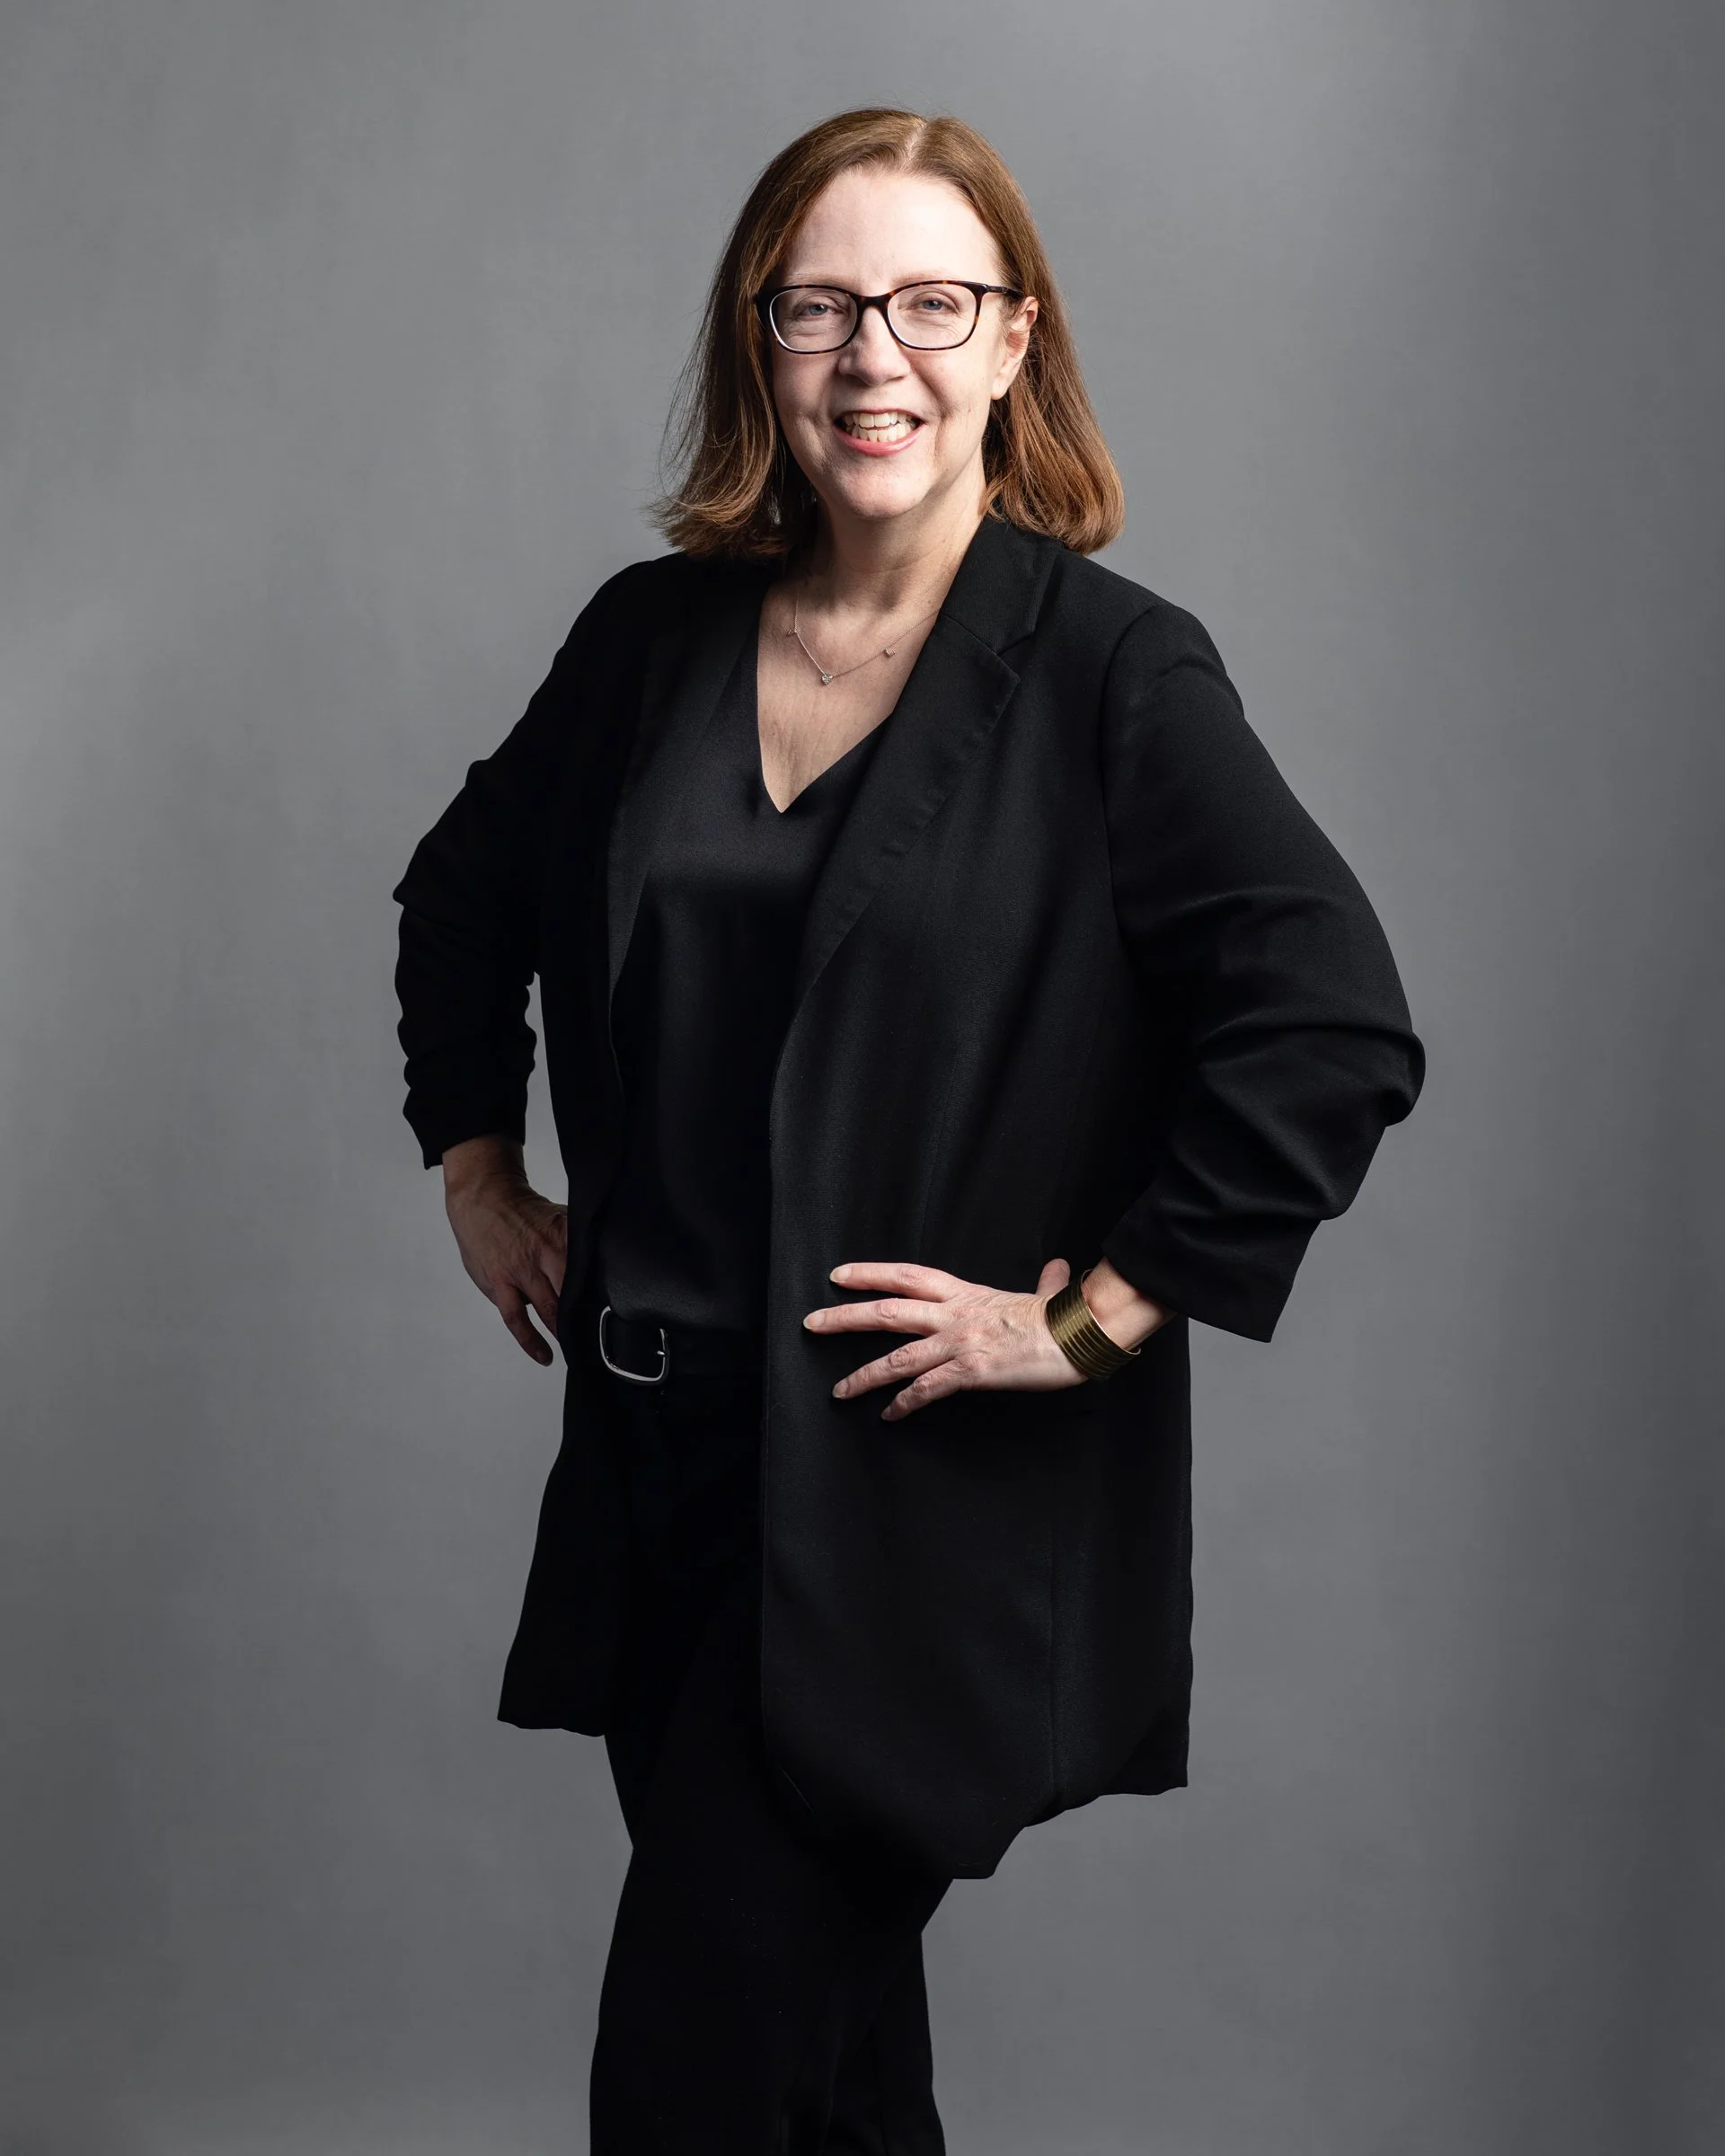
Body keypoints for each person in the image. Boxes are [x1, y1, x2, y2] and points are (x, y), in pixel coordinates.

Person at [392, 104, 1424, 2156]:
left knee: (691, 2079)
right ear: (757, 347)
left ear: (1014, 340)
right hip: (663, 1477)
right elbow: (461, 894)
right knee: (836, 2091)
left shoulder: (1114, 675)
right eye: (822, 307)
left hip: (914, 1507)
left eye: (933, 302)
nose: (878, 356)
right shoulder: (646, 642)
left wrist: (1095, 1320)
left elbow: (1331, 1021)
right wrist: (475, 1163)